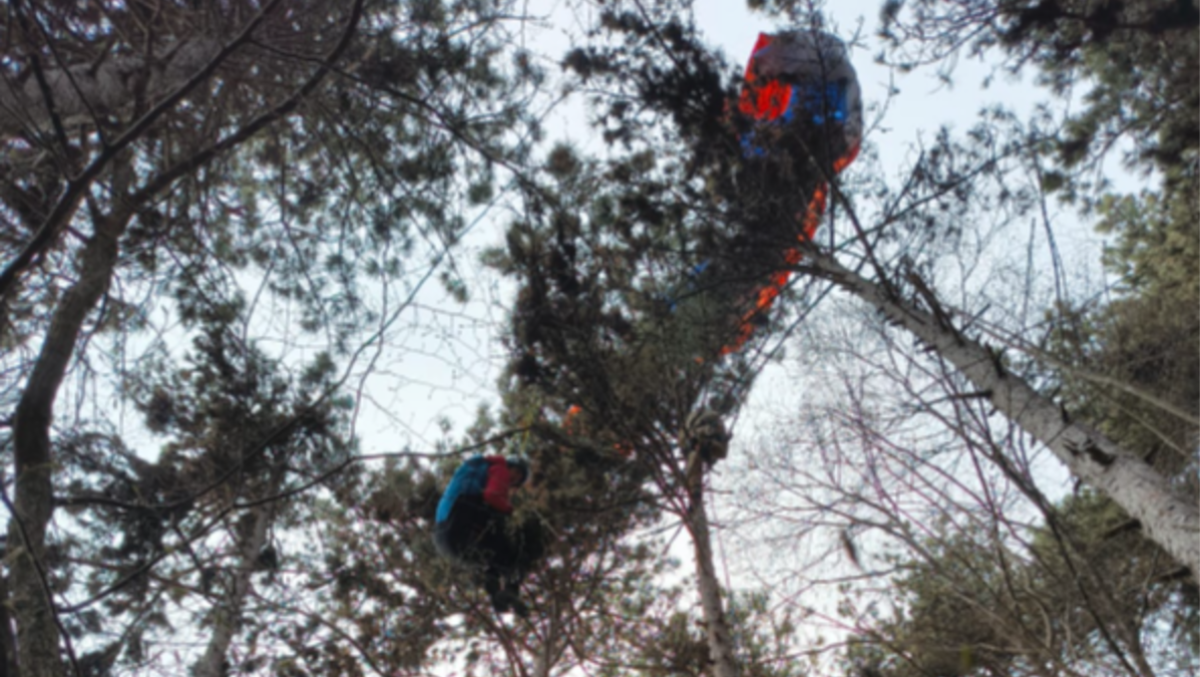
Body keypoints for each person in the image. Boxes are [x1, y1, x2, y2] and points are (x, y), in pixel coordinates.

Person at [434, 454, 542, 617]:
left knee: (495, 557)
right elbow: (491, 496)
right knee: (514, 548)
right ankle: (511, 589)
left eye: (518, 481)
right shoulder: (500, 469)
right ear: (511, 466)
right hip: (461, 521)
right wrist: (510, 510)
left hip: (445, 539)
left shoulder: (476, 471)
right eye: (517, 474)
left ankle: (498, 596)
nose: (514, 480)